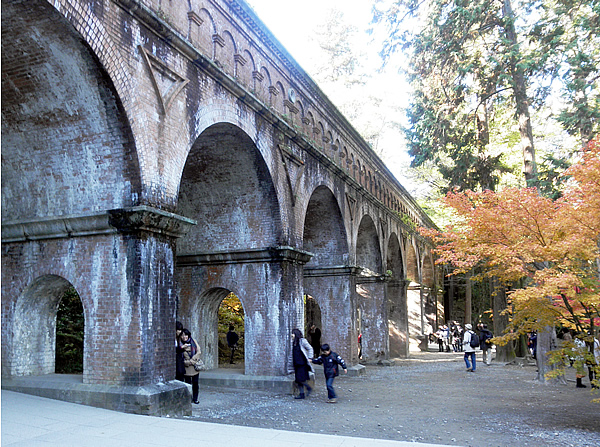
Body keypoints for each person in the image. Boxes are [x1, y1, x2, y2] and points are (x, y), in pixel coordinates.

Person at [287, 328, 314, 399]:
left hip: (302, 364)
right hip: (296, 364)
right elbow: (291, 354)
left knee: (300, 379)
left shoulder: (302, 341)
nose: (291, 335)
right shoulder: (294, 343)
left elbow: (310, 348)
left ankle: (308, 388)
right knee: (298, 380)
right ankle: (301, 394)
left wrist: (310, 357)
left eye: (292, 333)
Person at [181, 328, 202, 404]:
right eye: (182, 335)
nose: (184, 337)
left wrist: (192, 360)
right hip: (186, 367)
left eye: (185, 335)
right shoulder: (180, 344)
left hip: (194, 366)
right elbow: (180, 357)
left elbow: (199, 352)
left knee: (195, 383)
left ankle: (195, 398)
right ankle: (188, 399)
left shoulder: (193, 342)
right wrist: (188, 362)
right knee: (188, 383)